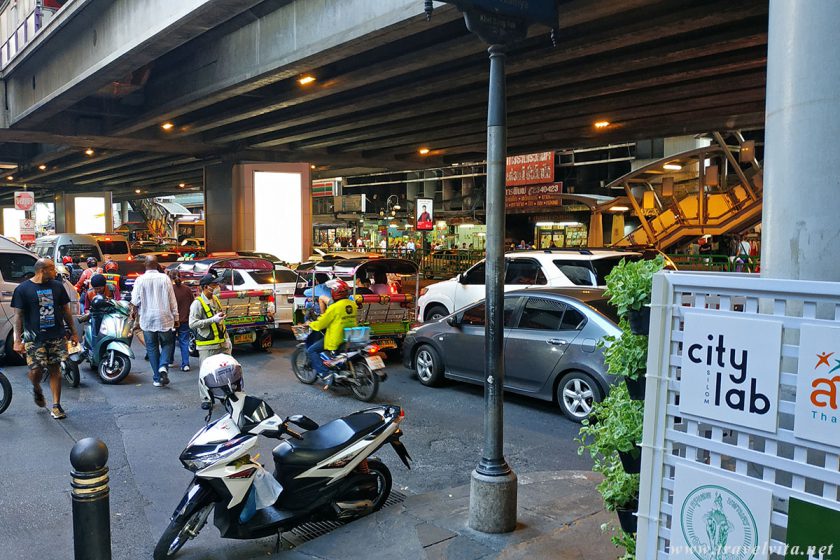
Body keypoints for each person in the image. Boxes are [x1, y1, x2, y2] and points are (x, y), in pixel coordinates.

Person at [11, 258, 79, 420]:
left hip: (56, 335)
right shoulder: (23, 289)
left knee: (55, 370)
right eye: (53, 269)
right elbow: (18, 317)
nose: (56, 272)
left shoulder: (57, 286)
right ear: (43, 270)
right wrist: (17, 340)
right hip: (35, 339)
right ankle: (36, 387)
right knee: (36, 371)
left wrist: (73, 331)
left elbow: (65, 310)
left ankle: (56, 406)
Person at [130, 255, 178, 387]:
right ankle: (163, 367)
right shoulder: (165, 278)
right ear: (157, 265)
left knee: (152, 348)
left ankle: (157, 378)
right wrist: (176, 317)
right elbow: (172, 300)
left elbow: (135, 301)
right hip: (165, 318)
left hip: (147, 319)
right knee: (168, 344)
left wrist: (134, 313)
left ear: (145, 265)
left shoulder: (140, 280)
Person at [306, 279, 357, 389]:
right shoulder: (352, 304)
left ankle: (326, 374)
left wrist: (310, 324)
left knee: (312, 350)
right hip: (350, 336)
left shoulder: (334, 307)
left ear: (334, 293)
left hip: (337, 338)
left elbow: (321, 324)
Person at [189, 274, 231, 409]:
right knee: (206, 373)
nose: (217, 287)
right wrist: (212, 320)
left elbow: (220, 321)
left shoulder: (215, 299)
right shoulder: (197, 303)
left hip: (222, 343)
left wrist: (227, 339)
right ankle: (206, 399)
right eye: (214, 285)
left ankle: (226, 396)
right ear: (206, 287)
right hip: (207, 345)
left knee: (225, 371)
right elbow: (192, 324)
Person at [169, 270, 195, 372]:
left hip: (172, 321)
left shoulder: (170, 290)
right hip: (185, 320)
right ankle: (185, 364)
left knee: (170, 342)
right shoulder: (187, 290)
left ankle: (170, 360)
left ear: (170, 278)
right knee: (184, 342)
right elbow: (192, 304)